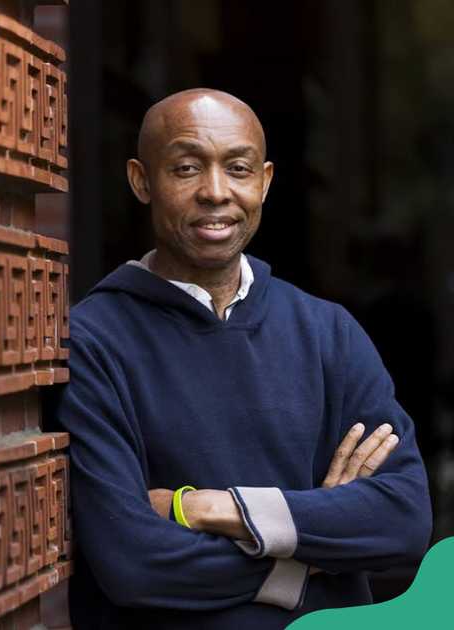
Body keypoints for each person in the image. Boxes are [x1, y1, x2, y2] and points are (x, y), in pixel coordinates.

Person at [59, 88, 431, 629]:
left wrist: (207, 508)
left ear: (265, 181)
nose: (216, 192)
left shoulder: (328, 332)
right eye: (187, 168)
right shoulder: (93, 343)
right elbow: (134, 562)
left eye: (238, 168)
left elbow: (402, 520)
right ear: (142, 181)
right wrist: (310, 549)